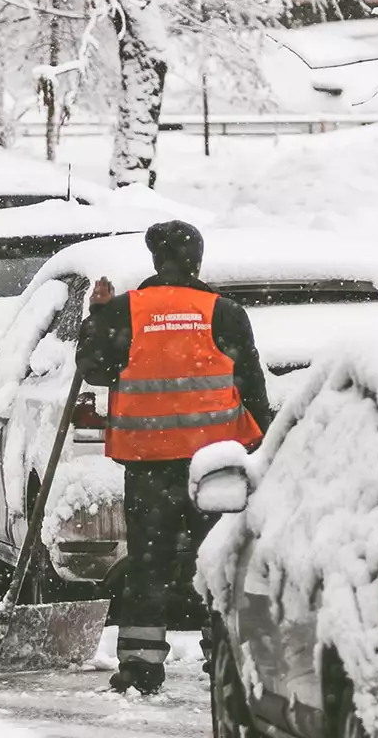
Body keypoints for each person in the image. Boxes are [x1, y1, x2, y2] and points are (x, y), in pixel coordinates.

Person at [75, 220, 272, 696]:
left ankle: (141, 670)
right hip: (215, 466)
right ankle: (227, 659)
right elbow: (251, 385)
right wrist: (262, 443)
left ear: (154, 260)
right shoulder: (223, 313)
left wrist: (97, 317)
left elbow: (95, 369)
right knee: (219, 562)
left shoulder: (126, 311)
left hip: (148, 465)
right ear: (196, 261)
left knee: (149, 565)